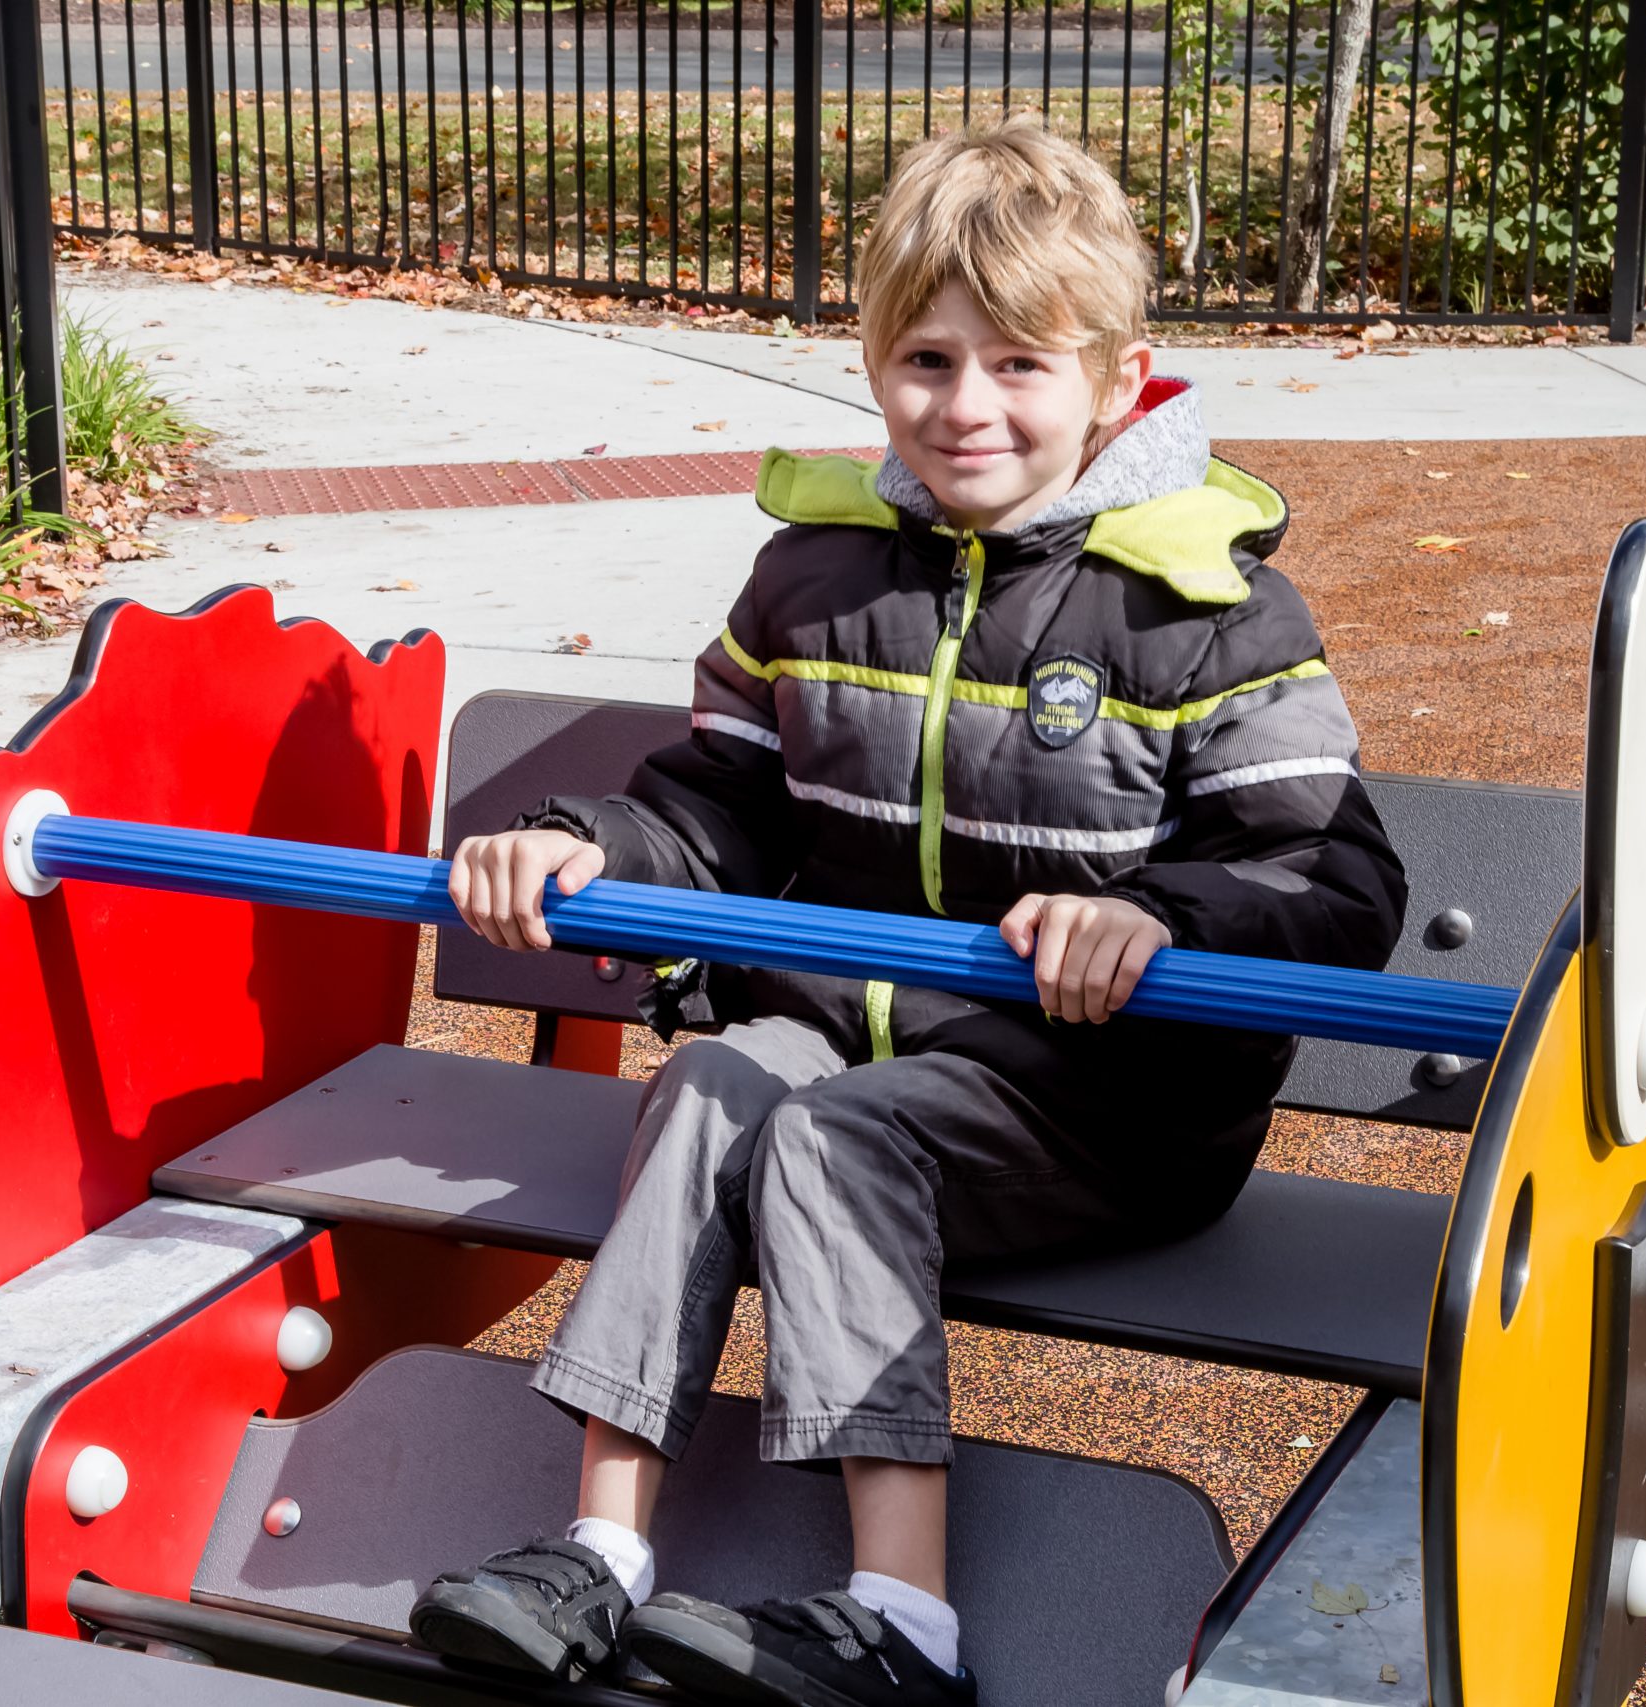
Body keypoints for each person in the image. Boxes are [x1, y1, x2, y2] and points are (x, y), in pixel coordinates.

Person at [409, 115, 1407, 1707]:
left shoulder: (1204, 609)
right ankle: (598, 1551)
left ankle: (901, 1619)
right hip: (851, 1050)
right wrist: (585, 846)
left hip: (1104, 1106)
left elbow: (1334, 874)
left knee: (826, 1134)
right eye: (927, 361)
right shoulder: (818, 579)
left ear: (1120, 376)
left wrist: (1166, 922)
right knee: (721, 1081)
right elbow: (714, 804)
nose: (968, 408)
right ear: (875, 365)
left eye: (1020, 364)